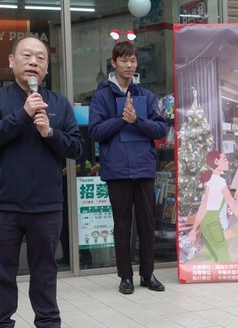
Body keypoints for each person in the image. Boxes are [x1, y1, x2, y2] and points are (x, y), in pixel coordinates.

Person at [0, 36, 84, 328]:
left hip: (46, 202)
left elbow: (77, 148)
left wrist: (51, 133)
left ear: (47, 68)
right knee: (2, 271)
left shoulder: (60, 104)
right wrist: (23, 114)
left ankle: (48, 326)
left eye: (40, 57)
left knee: (45, 268)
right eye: (26, 55)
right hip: (4, 202)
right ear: (12, 61)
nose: (33, 61)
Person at [88, 41, 168, 295]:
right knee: (122, 225)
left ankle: (147, 274)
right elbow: (95, 131)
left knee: (146, 224)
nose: (129, 66)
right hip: (117, 170)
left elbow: (160, 129)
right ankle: (125, 276)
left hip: (143, 168)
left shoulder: (146, 95)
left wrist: (138, 120)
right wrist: (121, 119)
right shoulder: (101, 96)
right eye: (124, 61)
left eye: (132, 61)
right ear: (114, 62)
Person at [189, 151, 238, 261]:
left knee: (211, 258)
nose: (227, 161)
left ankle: (210, 276)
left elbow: (204, 207)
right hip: (213, 223)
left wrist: (195, 229)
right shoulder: (218, 181)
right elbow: (232, 205)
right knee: (224, 259)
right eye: (224, 159)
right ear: (216, 161)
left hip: (207, 223)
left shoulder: (211, 180)